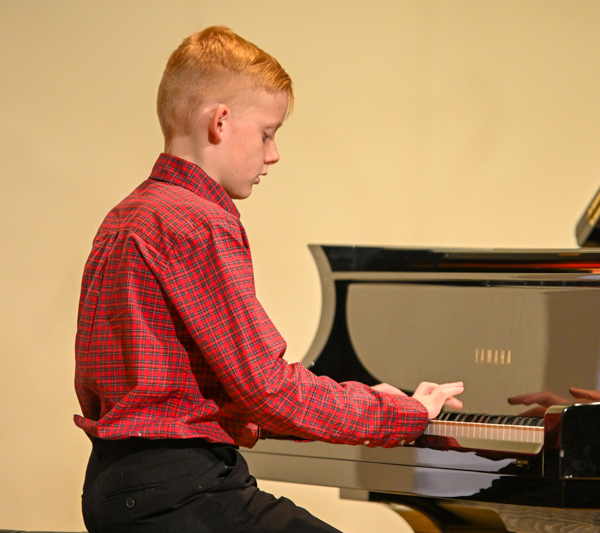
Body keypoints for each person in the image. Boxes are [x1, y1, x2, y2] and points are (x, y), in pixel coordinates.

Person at [74, 26, 464, 533]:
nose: (273, 153)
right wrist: (399, 415)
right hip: (184, 493)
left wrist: (369, 399)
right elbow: (267, 388)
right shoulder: (199, 220)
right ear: (219, 122)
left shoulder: (127, 215)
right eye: (267, 133)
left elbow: (199, 396)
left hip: (114, 484)